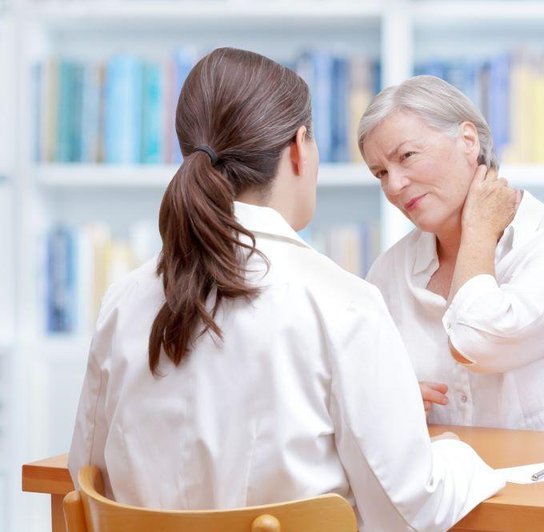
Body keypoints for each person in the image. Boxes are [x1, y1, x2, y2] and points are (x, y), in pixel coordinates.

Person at [68, 49, 504, 531]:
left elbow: (86, 478)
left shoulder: (125, 299)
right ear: (300, 147)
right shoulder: (342, 303)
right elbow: (409, 509)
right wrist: (455, 456)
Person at [359, 75, 544, 433]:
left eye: (407, 156)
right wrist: (390, 400)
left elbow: (475, 343)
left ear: (468, 140)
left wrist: (477, 231)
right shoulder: (389, 271)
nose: (394, 186)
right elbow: (361, 388)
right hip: (442, 484)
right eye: (380, 172)